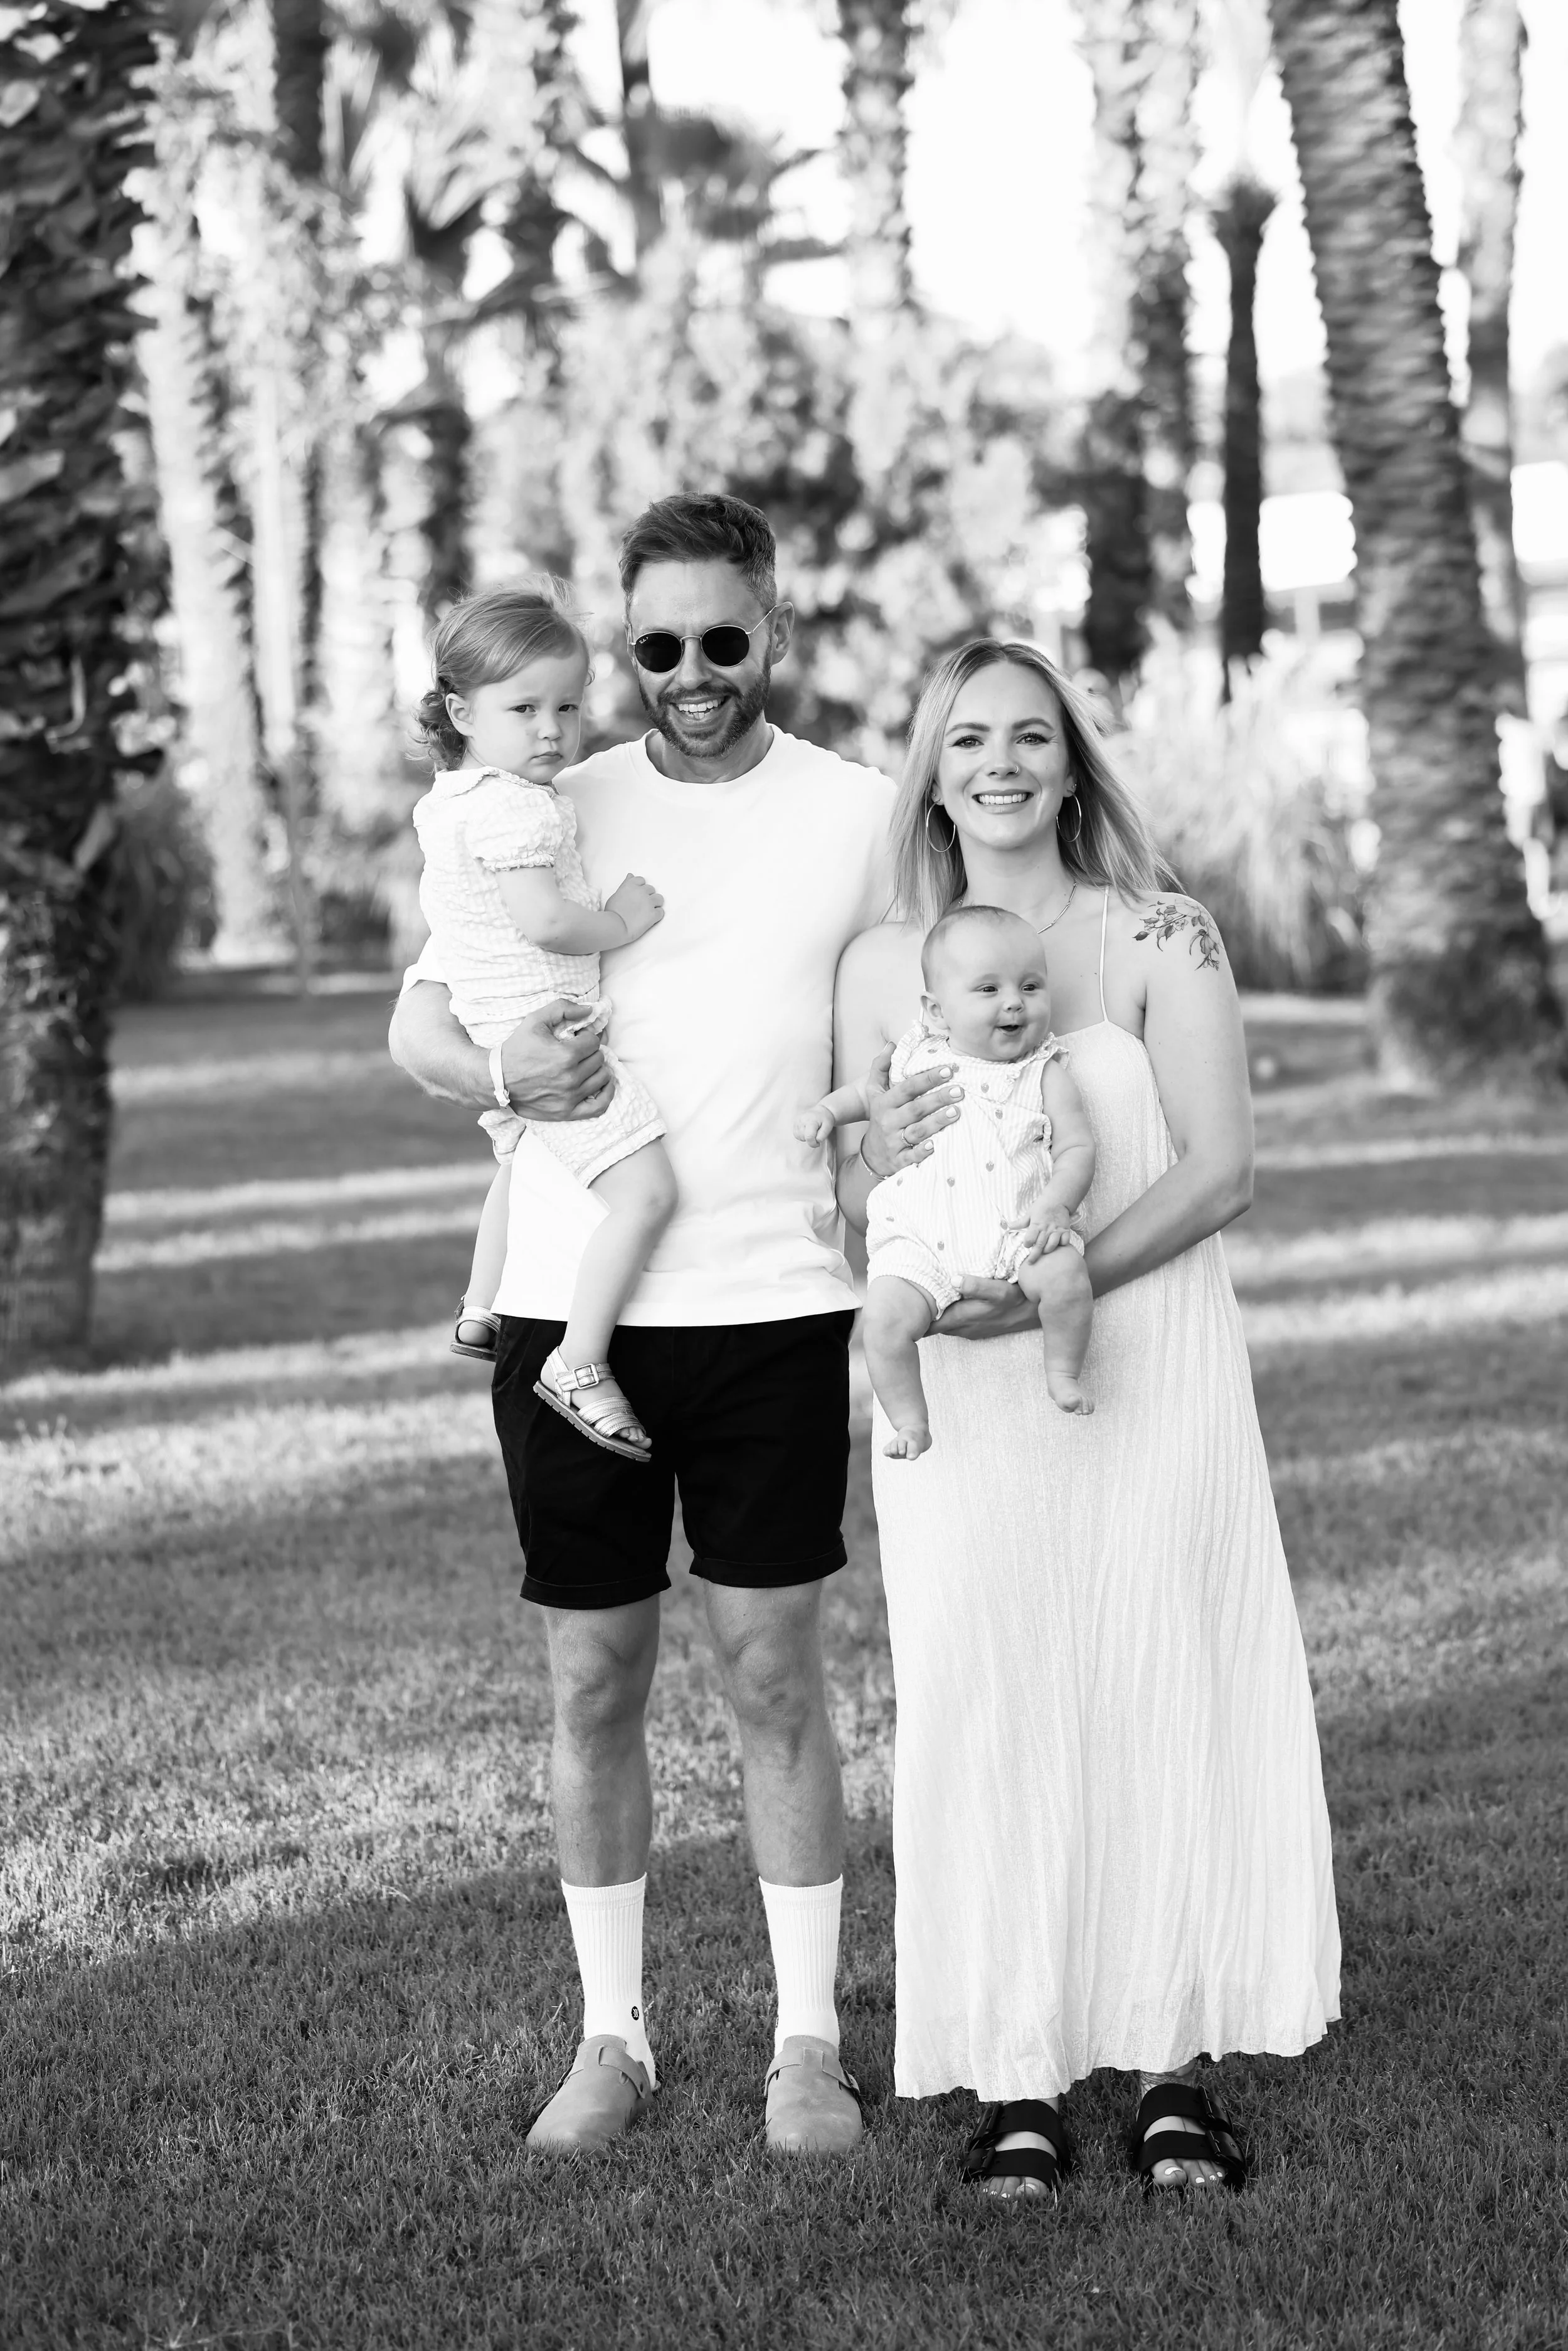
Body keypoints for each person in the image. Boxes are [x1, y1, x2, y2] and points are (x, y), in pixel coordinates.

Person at [388, 494, 894, 2157]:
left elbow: (936, 990)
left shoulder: (855, 812)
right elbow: (420, 1009)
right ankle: (613, 2036)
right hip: (562, 1298)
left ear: (771, 628)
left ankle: (805, 2045)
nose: (689, 673)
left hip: (771, 1306)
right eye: (658, 642)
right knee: (593, 1673)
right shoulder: (540, 795)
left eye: (721, 640)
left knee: (771, 1672)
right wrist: (493, 1074)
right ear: (625, 643)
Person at [831, 638, 1340, 2201]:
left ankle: (1174, 2061)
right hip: (961, 1397)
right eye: (968, 735)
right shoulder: (877, 964)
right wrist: (895, 1217)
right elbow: (851, 1194)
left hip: (1143, 1354)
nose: (999, 761)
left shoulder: (1157, 931)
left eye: (1031, 735)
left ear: (1073, 759)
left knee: (1154, 1669)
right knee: (987, 1690)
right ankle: (1016, 2073)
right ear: (930, 763)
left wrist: (1059, 1276)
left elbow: (1221, 1171)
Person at [411, 583, 676, 1462]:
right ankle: (580, 1360)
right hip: (547, 1036)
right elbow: (549, 922)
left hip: (494, 1030)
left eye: (569, 706)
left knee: (516, 1162)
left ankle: (481, 1306)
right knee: (645, 1194)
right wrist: (626, 920)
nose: (552, 731)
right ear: (461, 710)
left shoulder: (453, 799)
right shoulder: (515, 806)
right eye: (523, 708)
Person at [795, 903, 1098, 1453]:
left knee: (1066, 1277)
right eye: (988, 990)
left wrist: (1056, 1204)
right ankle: (910, 1420)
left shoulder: (1044, 1073)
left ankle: (1063, 1372)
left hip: (1017, 1234)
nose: (1014, 1001)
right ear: (937, 1012)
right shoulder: (916, 1056)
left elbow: (1078, 1146)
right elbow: (868, 1097)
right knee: (884, 1320)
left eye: (1031, 986)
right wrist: (828, 1114)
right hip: (923, 1246)